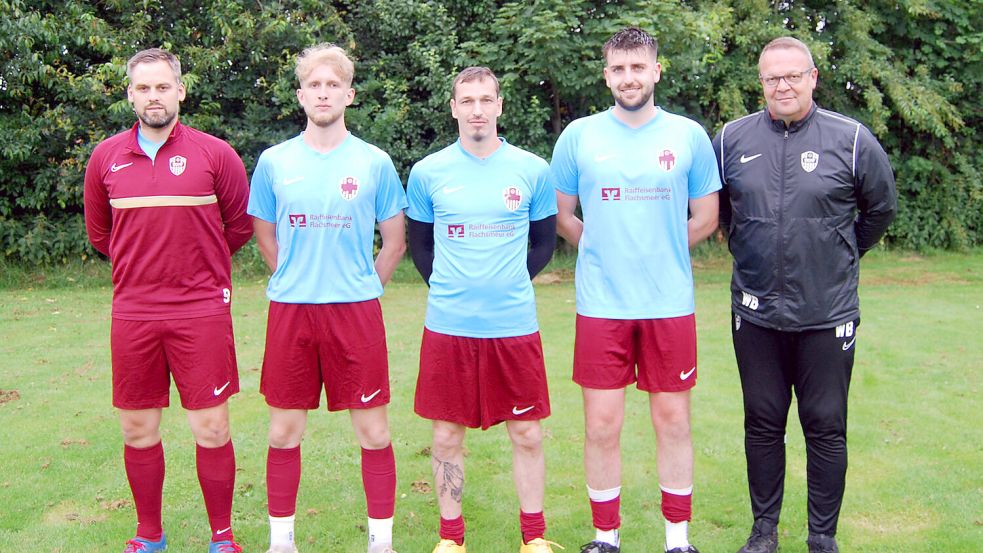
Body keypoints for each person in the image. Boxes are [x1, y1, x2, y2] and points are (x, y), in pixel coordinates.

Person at [712, 37, 896, 553]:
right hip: (756, 312)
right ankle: (764, 531)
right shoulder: (730, 139)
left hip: (826, 313)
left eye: (793, 75)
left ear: (813, 77)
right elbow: (720, 210)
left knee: (825, 426)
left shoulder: (853, 139)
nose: (783, 85)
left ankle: (822, 537)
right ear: (761, 82)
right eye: (773, 77)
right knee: (763, 423)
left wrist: (838, 255)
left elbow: (879, 211)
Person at [550, 27, 720, 553]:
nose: (629, 78)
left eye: (638, 67)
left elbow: (707, 217)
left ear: (656, 71)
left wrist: (659, 247)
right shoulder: (578, 135)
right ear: (607, 76)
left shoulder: (688, 135)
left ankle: (677, 540)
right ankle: (606, 537)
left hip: (669, 303)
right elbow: (562, 214)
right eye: (619, 69)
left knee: (673, 420)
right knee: (601, 424)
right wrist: (601, 248)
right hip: (602, 305)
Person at [83, 48, 252, 553]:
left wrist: (194, 269)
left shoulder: (215, 153)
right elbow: (100, 234)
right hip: (133, 311)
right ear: (130, 94)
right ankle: (149, 535)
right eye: (143, 88)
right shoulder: (105, 157)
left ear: (180, 91)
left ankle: (222, 538)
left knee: (212, 425)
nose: (153, 97)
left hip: (200, 310)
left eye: (162, 87)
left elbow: (238, 227)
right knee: (138, 428)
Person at [246, 43, 406, 553]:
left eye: (332, 84)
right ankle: (282, 542)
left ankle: (380, 543)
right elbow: (264, 234)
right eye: (314, 85)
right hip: (292, 310)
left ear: (349, 94)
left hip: (355, 312)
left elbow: (395, 240)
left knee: (375, 432)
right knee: (283, 432)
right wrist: (295, 276)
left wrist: (361, 286)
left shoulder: (374, 162)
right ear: (300, 95)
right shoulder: (274, 162)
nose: (323, 92)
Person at [405, 66, 559, 553]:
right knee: (447, 435)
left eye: (485, 99)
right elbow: (421, 250)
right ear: (453, 108)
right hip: (449, 326)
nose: (476, 109)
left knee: (528, 433)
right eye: (466, 100)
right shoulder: (429, 172)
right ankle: (451, 540)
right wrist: (458, 289)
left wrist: (503, 284)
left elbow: (543, 244)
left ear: (499, 106)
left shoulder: (532, 169)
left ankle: (533, 538)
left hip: (513, 325)